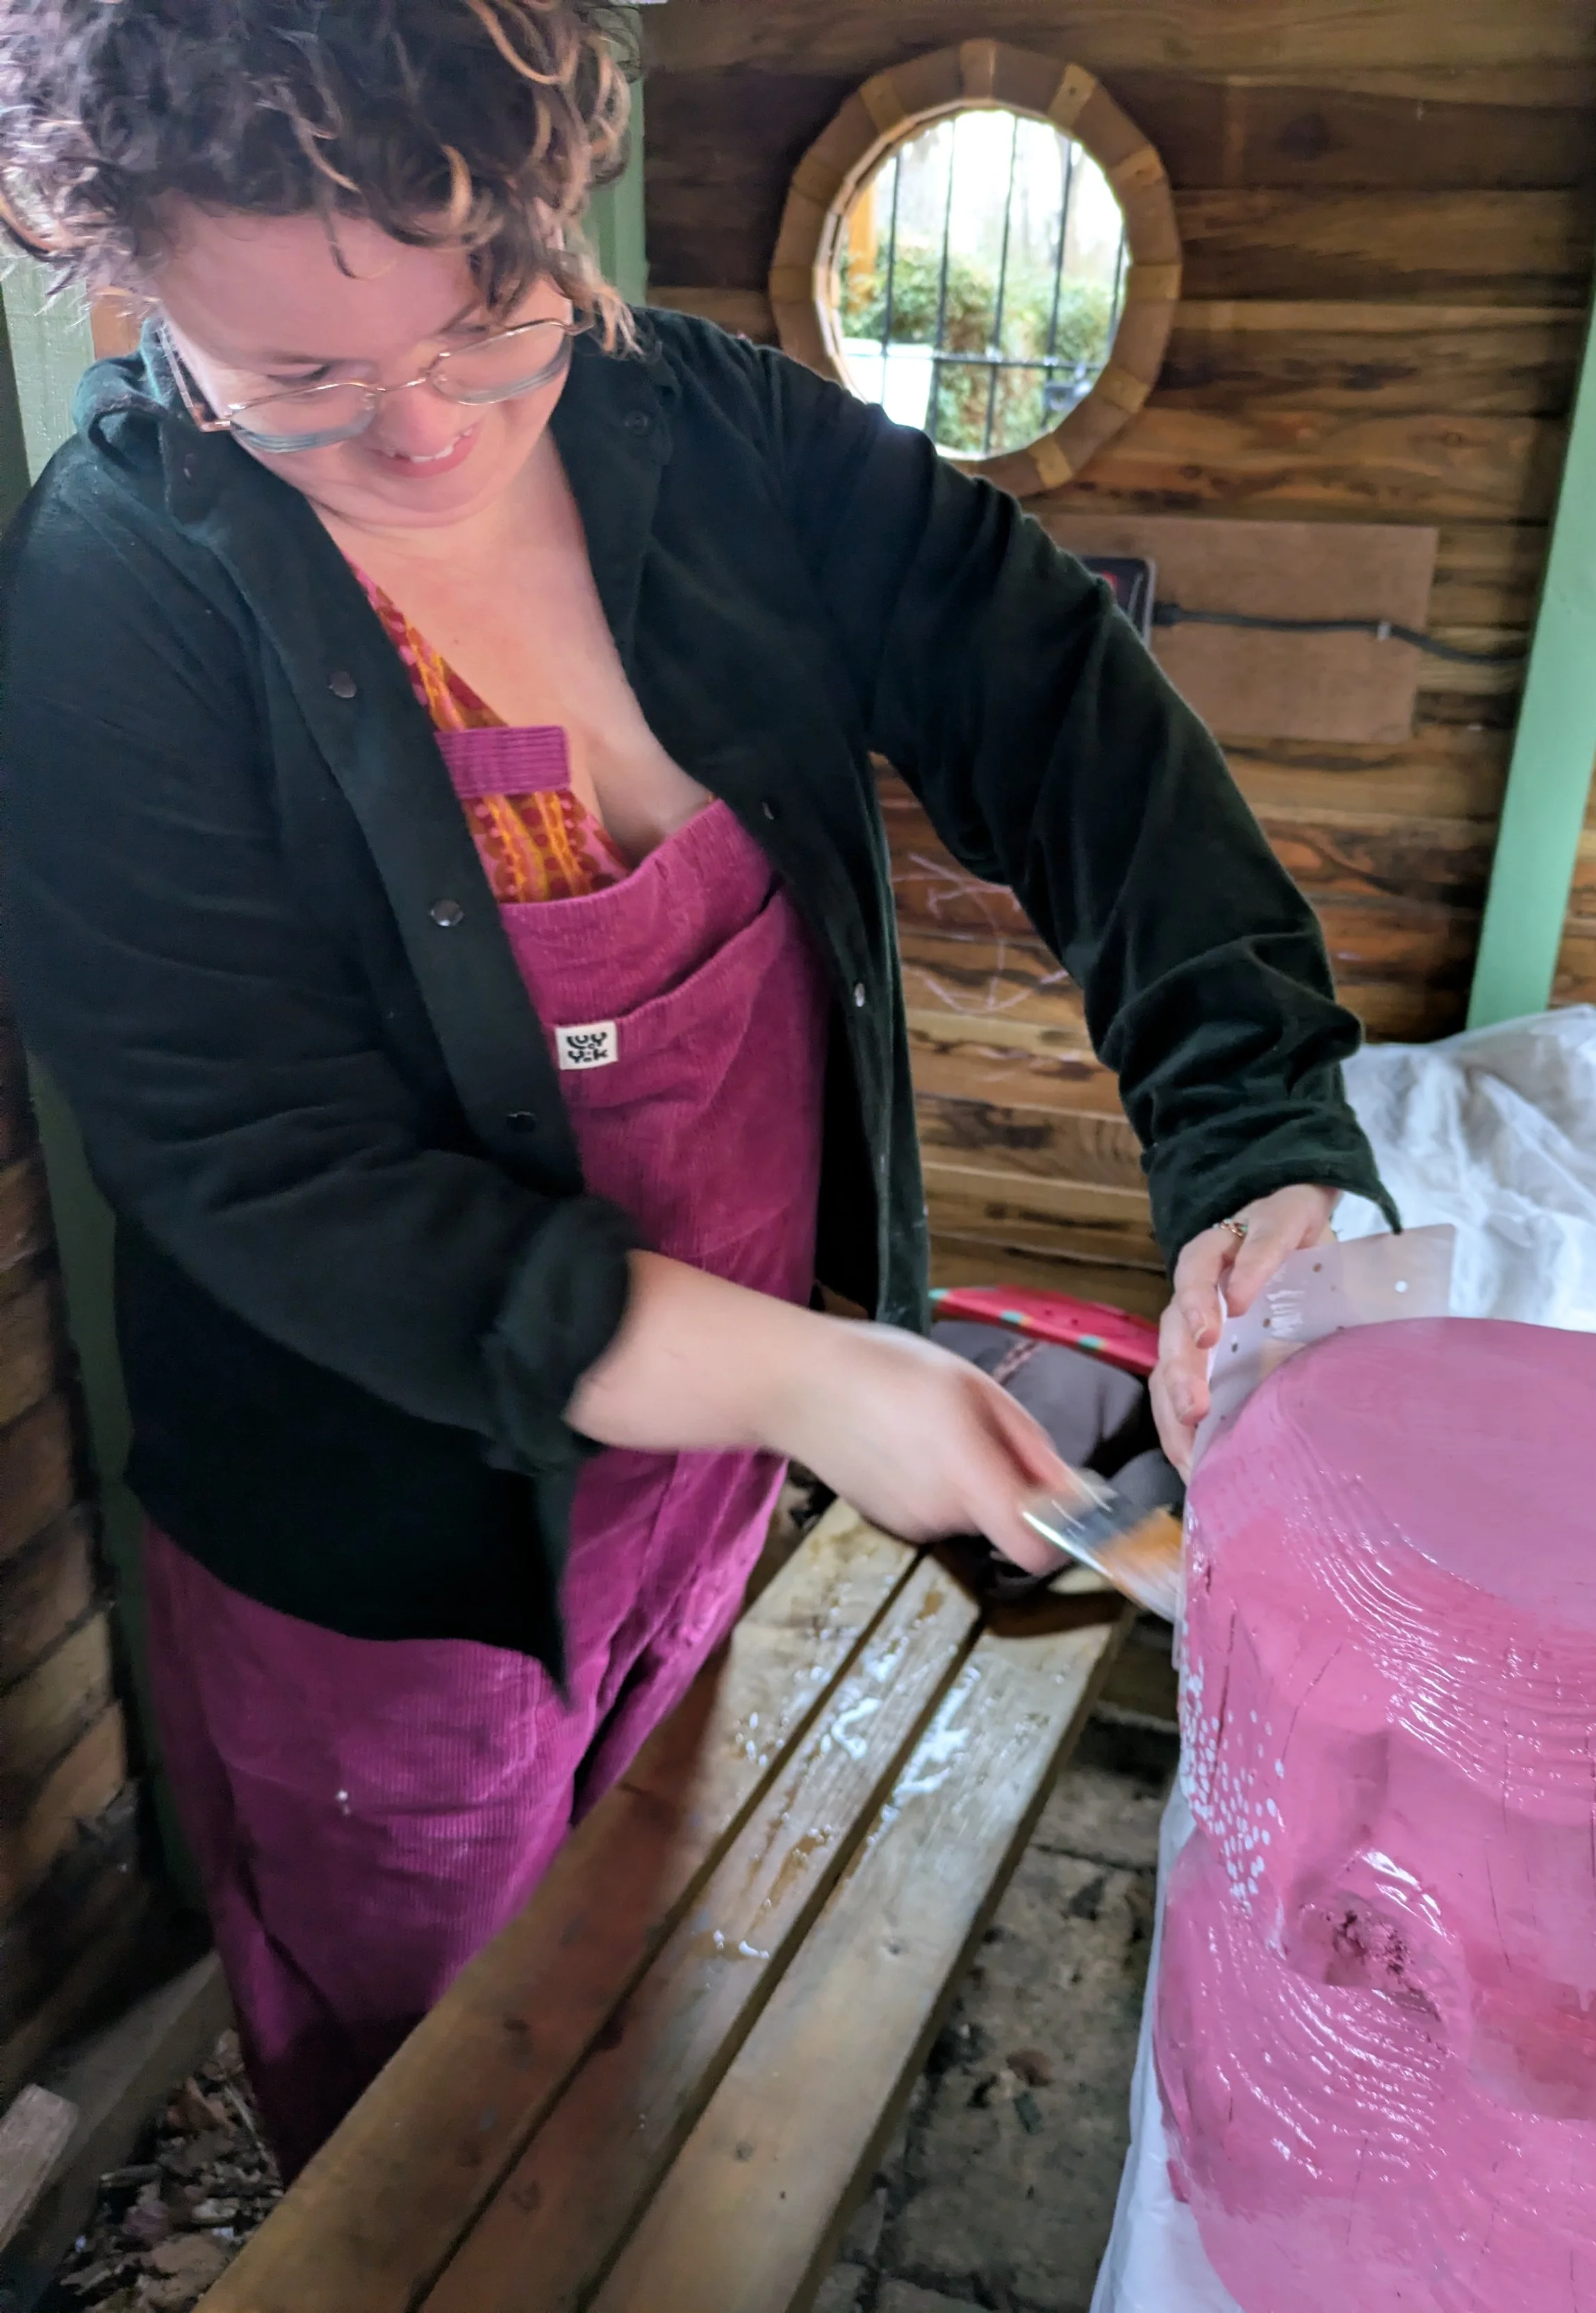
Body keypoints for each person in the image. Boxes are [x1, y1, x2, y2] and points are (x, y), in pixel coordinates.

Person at [0, 0, 1396, 2176]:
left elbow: (1064, 725)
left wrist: (1254, 1142)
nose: (429, 432)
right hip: (388, 1555)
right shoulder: (118, 605)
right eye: (298, 382)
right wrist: (804, 1378)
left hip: (713, 1479)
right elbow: (252, 1167)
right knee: (414, 2092)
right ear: (128, 281)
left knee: (617, 1939)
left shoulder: (717, 436)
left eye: (488, 325)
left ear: (553, 219)